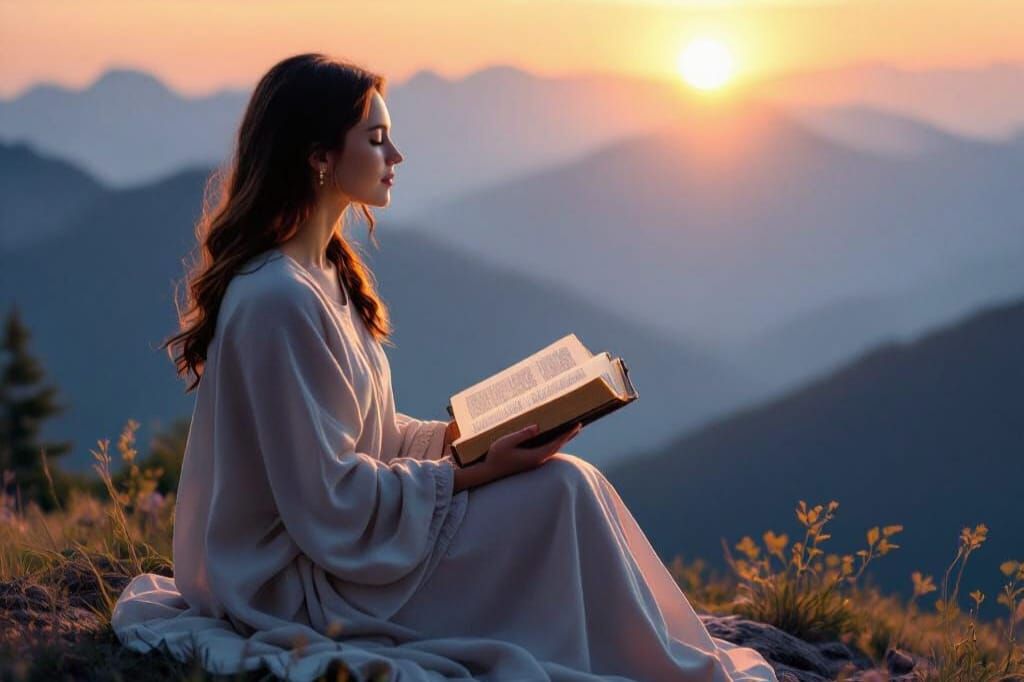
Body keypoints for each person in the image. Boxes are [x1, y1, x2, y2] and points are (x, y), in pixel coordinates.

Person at [111, 52, 778, 682]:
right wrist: (472, 470)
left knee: (573, 483)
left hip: (351, 544)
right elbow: (328, 501)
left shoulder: (325, 275)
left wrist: (463, 438)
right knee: (561, 494)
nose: (395, 155)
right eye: (375, 139)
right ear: (318, 158)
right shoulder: (278, 298)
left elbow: (364, 440)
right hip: (297, 582)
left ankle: (651, 655)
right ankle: (651, 663)